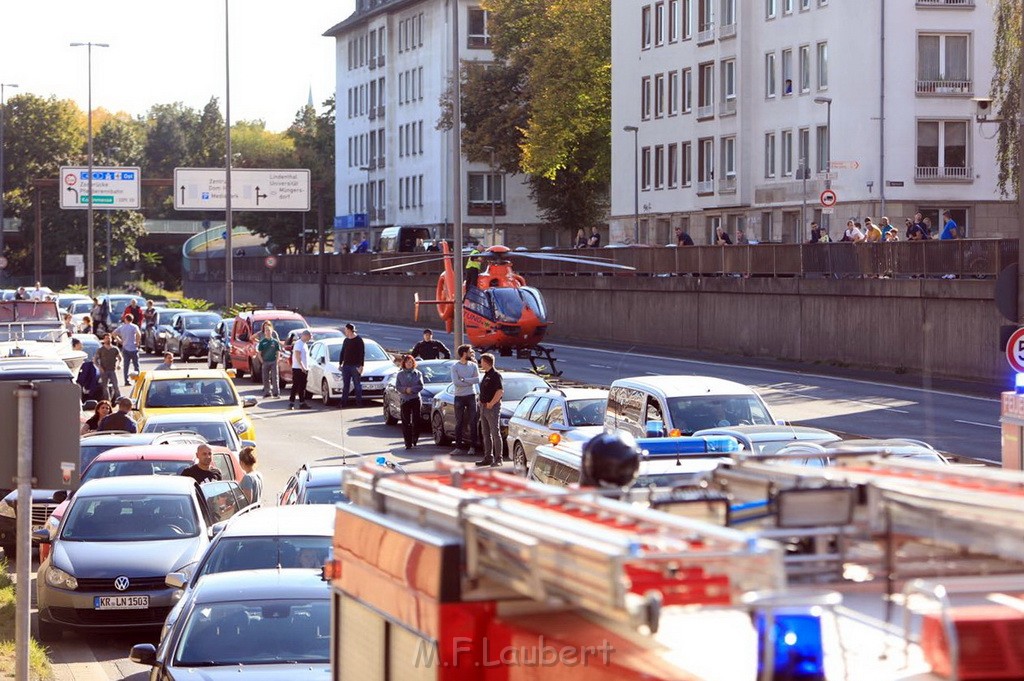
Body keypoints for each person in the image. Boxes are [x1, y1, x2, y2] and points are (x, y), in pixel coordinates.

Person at [450, 344, 480, 455]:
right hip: (459, 397)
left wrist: (464, 379)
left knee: (473, 422)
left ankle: (472, 447)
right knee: (459, 422)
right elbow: (456, 382)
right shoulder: (455, 367)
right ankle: (458, 447)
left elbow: (477, 379)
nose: (471, 353)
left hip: (471, 395)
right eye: (469, 351)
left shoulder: (473, 365)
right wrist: (467, 381)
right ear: (464, 353)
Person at [475, 353, 504, 467]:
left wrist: (492, 403)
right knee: (485, 433)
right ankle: (488, 457)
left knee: (495, 433)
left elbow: (500, 391)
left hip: (492, 408)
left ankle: (498, 458)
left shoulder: (495, 375)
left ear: (487, 362)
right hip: (483, 406)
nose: (480, 363)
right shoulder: (486, 374)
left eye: (481, 361)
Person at [395, 354, 424, 449]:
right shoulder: (400, 374)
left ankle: (415, 438)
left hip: (415, 398)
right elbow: (398, 386)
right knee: (406, 421)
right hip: (405, 399)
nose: (409, 364)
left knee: (416, 420)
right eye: (407, 362)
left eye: (411, 362)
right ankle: (407, 442)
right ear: (404, 363)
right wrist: (405, 390)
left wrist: (411, 390)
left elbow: (420, 386)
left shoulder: (418, 373)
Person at [339, 323, 365, 408]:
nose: (345, 331)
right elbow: (342, 352)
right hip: (346, 366)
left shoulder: (358, 340)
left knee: (357, 385)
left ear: (349, 330)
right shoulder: (346, 340)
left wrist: (361, 366)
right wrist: (340, 363)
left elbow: (362, 353)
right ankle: (343, 403)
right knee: (345, 386)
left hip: (356, 366)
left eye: (346, 329)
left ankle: (359, 403)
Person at [114, 313, 142, 386]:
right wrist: (137, 342)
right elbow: (139, 334)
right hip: (133, 348)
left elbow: (114, 333)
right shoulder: (134, 326)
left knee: (126, 365)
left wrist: (119, 340)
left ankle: (126, 381)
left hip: (125, 347)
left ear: (125, 319)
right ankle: (137, 379)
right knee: (136, 365)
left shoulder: (122, 327)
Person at [256, 321, 281, 398]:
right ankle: (267, 392)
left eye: (269, 331)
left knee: (275, 377)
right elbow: (259, 353)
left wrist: (277, 360)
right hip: (265, 361)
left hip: (273, 361)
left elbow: (278, 352)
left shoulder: (275, 342)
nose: (268, 332)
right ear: (265, 332)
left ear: (271, 332)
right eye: (266, 331)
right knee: (265, 378)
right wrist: (262, 361)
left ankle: (276, 392)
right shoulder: (262, 342)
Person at [289, 329, 312, 410]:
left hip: (304, 369)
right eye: (309, 336)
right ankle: (291, 403)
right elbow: (297, 356)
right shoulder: (299, 344)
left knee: (302, 386)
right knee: (296, 385)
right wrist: (302, 366)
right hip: (298, 368)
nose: (310, 338)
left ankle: (302, 402)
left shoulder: (304, 344)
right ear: (305, 335)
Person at [94, 333, 122, 401]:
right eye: (106, 338)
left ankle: (119, 399)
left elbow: (120, 358)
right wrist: (100, 367)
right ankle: (107, 400)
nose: (108, 339)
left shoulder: (115, 349)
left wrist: (119, 365)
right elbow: (95, 360)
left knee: (116, 386)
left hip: (112, 370)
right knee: (105, 387)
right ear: (103, 340)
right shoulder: (100, 350)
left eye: (109, 338)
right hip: (104, 370)